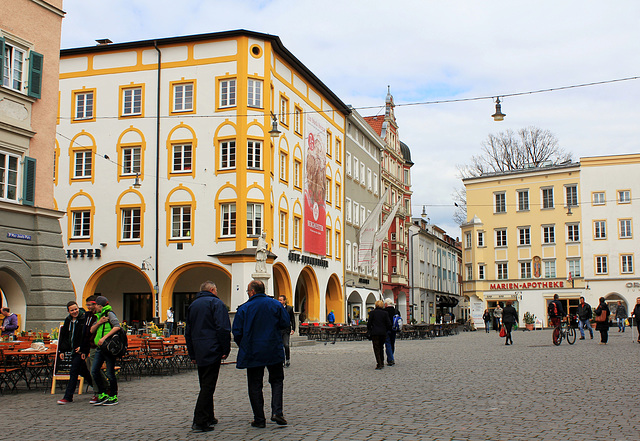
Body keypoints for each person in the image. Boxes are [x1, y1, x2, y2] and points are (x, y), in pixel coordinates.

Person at [232, 280, 290, 428]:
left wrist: (244, 345)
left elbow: (237, 332)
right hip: (272, 348)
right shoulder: (276, 305)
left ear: (251, 292)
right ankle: (277, 412)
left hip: (252, 351)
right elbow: (285, 324)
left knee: (255, 384)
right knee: (277, 380)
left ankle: (259, 418)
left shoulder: (244, 308)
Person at [185, 281, 231, 433]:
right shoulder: (216, 303)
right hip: (212, 348)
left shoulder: (193, 305)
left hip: (199, 348)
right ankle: (199, 420)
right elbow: (222, 328)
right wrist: (225, 348)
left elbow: (188, 331)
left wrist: (192, 352)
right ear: (212, 290)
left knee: (204, 383)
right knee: (208, 386)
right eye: (216, 290)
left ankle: (209, 416)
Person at [56, 301, 92, 404]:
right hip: (72, 350)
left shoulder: (84, 318)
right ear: (68, 311)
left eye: (76, 309)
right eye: (72, 310)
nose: (75, 311)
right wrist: (62, 350)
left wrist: (83, 348)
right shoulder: (68, 320)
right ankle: (101, 387)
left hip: (80, 351)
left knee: (73, 372)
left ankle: (68, 397)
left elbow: (86, 335)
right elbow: (64, 335)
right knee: (84, 372)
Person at [90, 296, 121, 406]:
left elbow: (117, 326)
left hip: (108, 348)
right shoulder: (99, 316)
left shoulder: (109, 313)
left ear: (99, 306)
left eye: (95, 305)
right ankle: (103, 393)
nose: (94, 307)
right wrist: (99, 322)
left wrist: (104, 338)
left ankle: (113, 395)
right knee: (94, 371)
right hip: (99, 348)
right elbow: (91, 330)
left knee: (109, 372)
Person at [367, 300, 391, 370]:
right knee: (381, 347)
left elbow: (369, 324)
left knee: (376, 348)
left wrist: (370, 330)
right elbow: (388, 324)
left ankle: (379, 363)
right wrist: (386, 330)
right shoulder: (385, 313)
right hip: (383, 333)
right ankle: (382, 362)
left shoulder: (372, 313)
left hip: (375, 333)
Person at [278, 295, 295, 368]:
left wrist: (293, 328)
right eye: (279, 300)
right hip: (279, 329)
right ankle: (282, 360)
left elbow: (293, 319)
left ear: (284, 301)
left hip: (286, 329)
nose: (280, 301)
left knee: (286, 344)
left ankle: (287, 359)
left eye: (281, 300)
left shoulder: (289, 308)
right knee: (280, 346)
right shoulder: (277, 308)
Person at [383, 298, 400, 366]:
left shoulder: (384, 311)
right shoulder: (396, 311)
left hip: (386, 329)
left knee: (388, 344)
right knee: (392, 343)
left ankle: (390, 359)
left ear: (386, 304)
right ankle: (391, 357)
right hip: (394, 329)